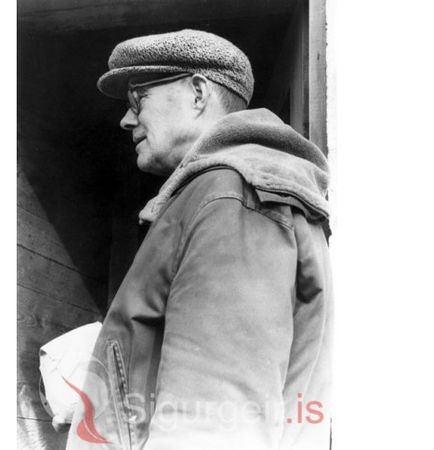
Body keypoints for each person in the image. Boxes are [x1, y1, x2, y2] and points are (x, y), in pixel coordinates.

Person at [63, 29, 332, 450]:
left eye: (138, 98)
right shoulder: (228, 193)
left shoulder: (230, 196)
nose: (126, 119)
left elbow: (212, 421)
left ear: (198, 93)